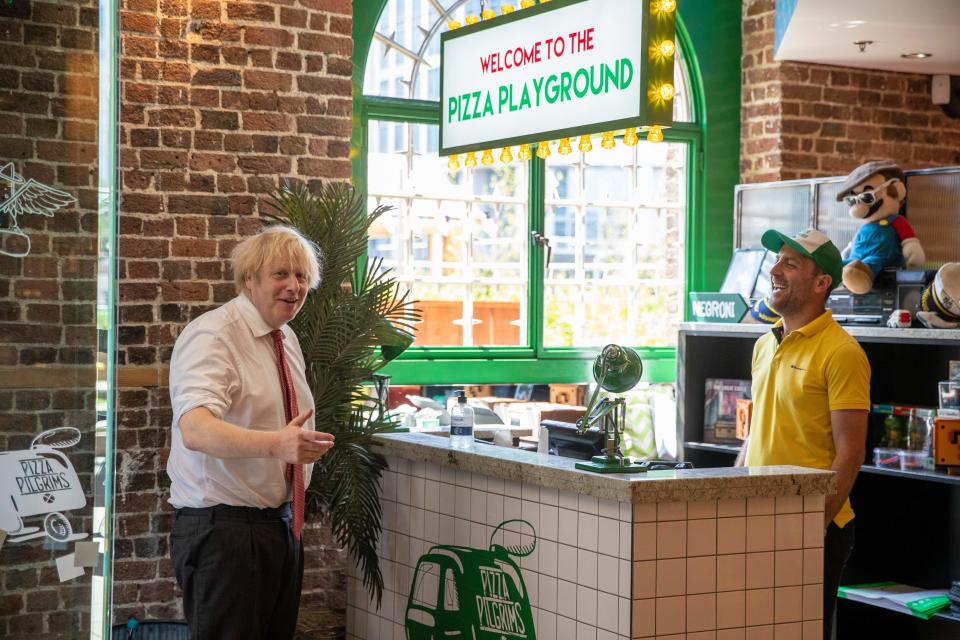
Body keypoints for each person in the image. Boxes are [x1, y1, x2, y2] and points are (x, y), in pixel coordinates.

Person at [166, 225, 334, 639]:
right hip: (224, 533)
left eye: (301, 277)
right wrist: (278, 444)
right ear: (249, 280)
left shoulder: (285, 337)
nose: (294, 286)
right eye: (281, 274)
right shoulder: (214, 335)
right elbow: (197, 430)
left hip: (278, 526)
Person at [735, 228, 870, 640]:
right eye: (777, 260)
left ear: (821, 282)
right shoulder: (764, 344)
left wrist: (815, 525)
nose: (774, 269)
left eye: (790, 263)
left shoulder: (842, 353)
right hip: (756, 517)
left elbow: (850, 453)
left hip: (813, 525)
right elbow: (758, 430)